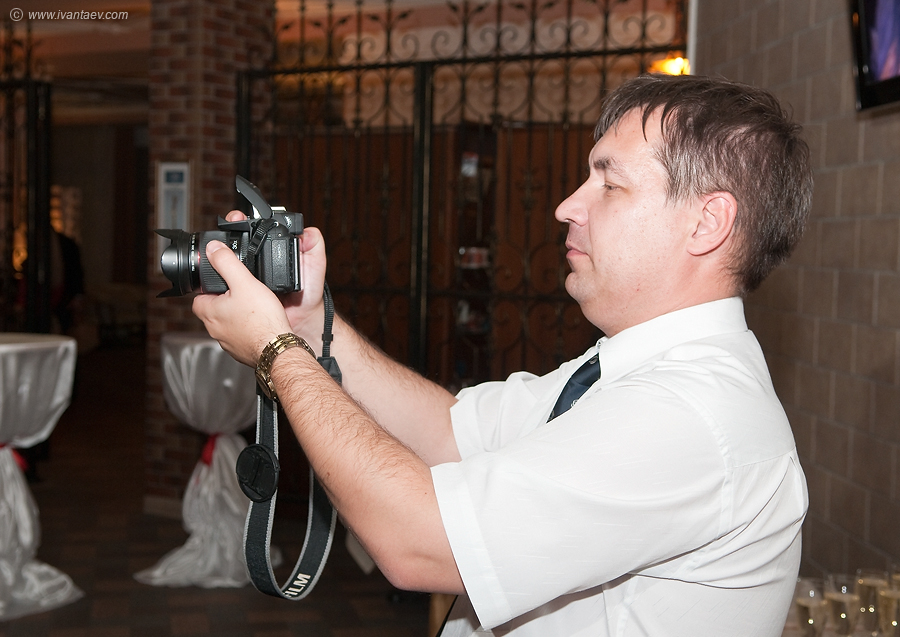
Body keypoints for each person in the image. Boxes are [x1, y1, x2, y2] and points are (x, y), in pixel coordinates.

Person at [192, 73, 812, 636]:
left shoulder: (689, 414)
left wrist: (277, 352)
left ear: (707, 223)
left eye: (610, 184)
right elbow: (450, 432)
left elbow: (418, 541)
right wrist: (309, 327)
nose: (567, 206)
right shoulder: (630, 369)